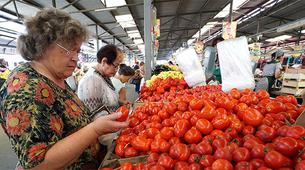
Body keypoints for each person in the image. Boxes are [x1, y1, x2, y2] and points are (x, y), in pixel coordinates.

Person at [0, 8, 128, 170]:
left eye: (78, 51)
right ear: (43, 45)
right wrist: (94, 129)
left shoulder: (54, 76)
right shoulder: (25, 89)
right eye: (69, 50)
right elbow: (38, 164)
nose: (76, 58)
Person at [77, 44, 125, 116]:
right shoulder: (92, 80)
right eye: (115, 66)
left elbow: (105, 101)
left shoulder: (103, 77)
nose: (116, 70)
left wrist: (120, 102)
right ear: (104, 61)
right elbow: (94, 116)